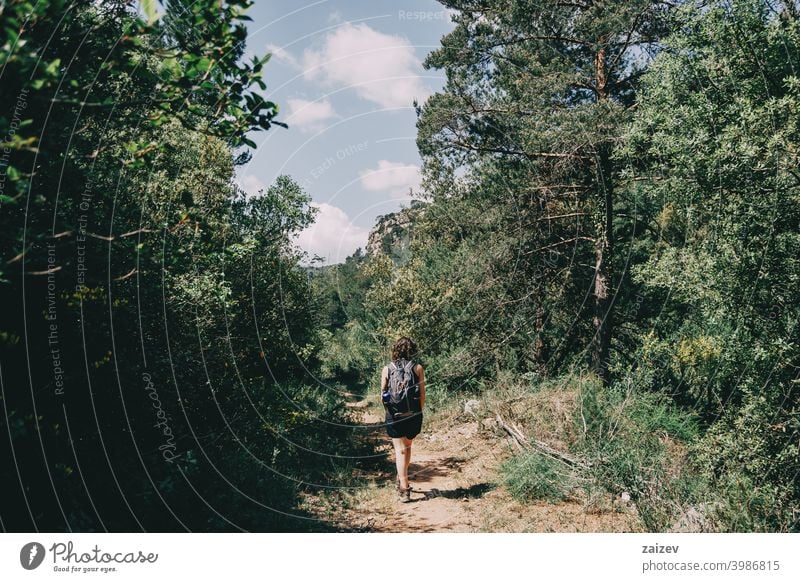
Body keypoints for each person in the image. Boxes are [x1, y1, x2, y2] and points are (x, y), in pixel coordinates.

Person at [380, 337, 425, 503]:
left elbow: (383, 395)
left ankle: (404, 488)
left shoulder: (387, 369)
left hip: (395, 415)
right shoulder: (418, 368)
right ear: (412, 350)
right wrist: (417, 412)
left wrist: (390, 412)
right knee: (407, 447)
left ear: (395, 350)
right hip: (413, 414)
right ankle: (402, 479)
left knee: (400, 451)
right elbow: (422, 395)